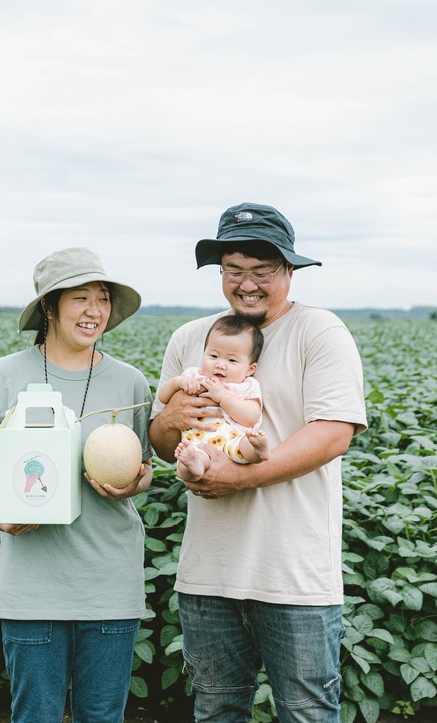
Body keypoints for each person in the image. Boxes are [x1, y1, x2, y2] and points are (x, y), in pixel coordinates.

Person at [149, 203, 367, 723]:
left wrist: (242, 478)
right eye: (233, 271)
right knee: (217, 709)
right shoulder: (192, 339)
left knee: (307, 711)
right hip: (208, 572)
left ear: (290, 271)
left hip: (295, 573)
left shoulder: (320, 331)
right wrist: (171, 418)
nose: (246, 284)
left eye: (262, 271)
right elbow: (159, 441)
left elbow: (334, 432)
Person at [0, 247, 153, 723]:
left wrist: (136, 484)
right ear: (49, 307)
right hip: (33, 585)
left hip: (110, 581)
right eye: (80, 298)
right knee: (35, 717)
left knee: (103, 717)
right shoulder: (2, 376)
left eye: (103, 298)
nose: (95, 311)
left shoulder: (130, 383)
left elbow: (144, 466)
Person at [158, 314, 270, 482]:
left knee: (244, 448)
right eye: (213, 356)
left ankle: (258, 449)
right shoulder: (193, 376)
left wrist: (223, 397)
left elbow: (251, 416)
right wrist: (177, 383)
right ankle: (195, 468)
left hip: (232, 441)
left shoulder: (245, 386)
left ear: (250, 369)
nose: (220, 364)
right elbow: (162, 397)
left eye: (232, 360)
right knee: (184, 466)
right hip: (198, 444)